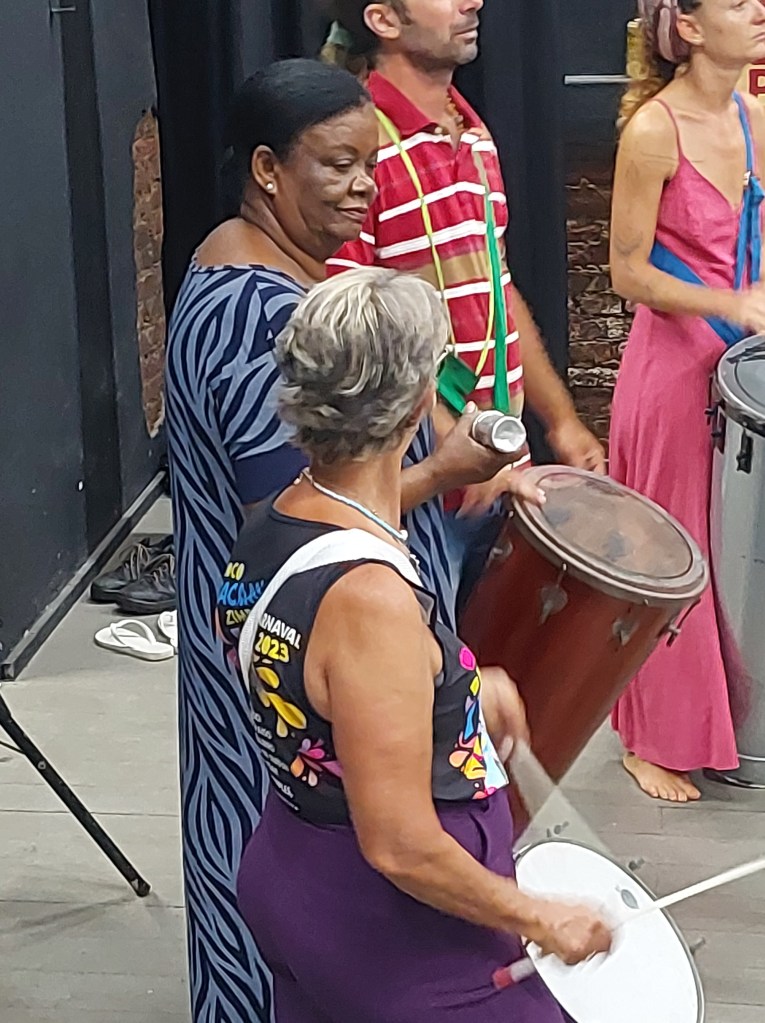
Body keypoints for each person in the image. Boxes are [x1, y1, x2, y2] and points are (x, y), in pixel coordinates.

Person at [166, 59, 531, 1023]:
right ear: (266, 168)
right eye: (336, 164)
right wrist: (440, 472)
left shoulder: (251, 271)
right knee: (314, 931)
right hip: (298, 689)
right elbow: (297, 527)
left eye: (370, 164)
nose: (363, 186)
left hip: (280, 665)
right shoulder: (260, 314)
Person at [228, 266, 612, 1023]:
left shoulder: (279, 519)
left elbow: (322, 676)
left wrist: (455, 691)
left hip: (297, 871)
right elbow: (399, 844)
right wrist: (540, 916)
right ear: (412, 405)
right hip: (397, 933)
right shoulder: (370, 601)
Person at [322, 0, 606, 619]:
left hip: (494, 471)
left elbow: (496, 288)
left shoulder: (473, 136)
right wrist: (457, 449)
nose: (473, 2)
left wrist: (559, 420)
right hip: (421, 482)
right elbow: (362, 333)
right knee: (430, 668)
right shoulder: (358, 148)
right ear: (383, 20)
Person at [609, 0, 765, 802]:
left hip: (739, 361)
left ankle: (724, 724)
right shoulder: (651, 132)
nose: (758, 10)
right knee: (673, 551)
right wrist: (727, 304)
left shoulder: (754, 118)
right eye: (736, 2)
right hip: (673, 368)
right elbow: (627, 271)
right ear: (691, 28)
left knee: (735, 548)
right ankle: (650, 739)